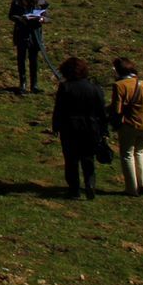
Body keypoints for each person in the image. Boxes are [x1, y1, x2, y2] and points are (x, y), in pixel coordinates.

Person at [51, 56, 109, 199]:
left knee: (71, 160)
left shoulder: (65, 87)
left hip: (70, 128)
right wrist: (104, 130)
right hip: (91, 128)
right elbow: (102, 112)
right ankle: (90, 184)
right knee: (88, 158)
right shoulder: (95, 88)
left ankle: (74, 189)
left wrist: (56, 126)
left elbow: (59, 109)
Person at [110, 58, 143, 196]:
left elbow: (117, 109)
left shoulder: (119, 85)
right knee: (140, 152)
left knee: (127, 155)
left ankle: (131, 188)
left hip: (130, 125)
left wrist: (114, 124)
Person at [9, 0, 51, 93]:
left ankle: (34, 85)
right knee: (21, 59)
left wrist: (42, 19)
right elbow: (11, 15)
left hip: (35, 34)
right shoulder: (17, 0)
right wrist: (21, 19)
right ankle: (22, 84)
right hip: (22, 33)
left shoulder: (39, 0)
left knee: (34, 60)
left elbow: (47, 16)